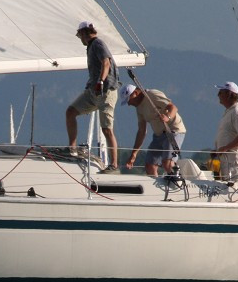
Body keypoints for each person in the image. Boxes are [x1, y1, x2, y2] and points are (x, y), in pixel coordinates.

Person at [65, 21, 119, 173]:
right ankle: (72, 148)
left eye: (80, 35)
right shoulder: (91, 46)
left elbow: (106, 63)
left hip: (106, 91)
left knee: (107, 129)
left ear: (83, 33)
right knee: (71, 112)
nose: (80, 39)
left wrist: (100, 81)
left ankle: (114, 164)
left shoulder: (97, 44)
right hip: (93, 91)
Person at [120, 84, 186, 176]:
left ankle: (177, 183)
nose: (129, 104)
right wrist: (134, 153)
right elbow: (141, 131)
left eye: (129, 100)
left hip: (173, 131)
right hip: (158, 135)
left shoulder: (152, 95)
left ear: (135, 93)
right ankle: (158, 188)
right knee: (149, 166)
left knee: (167, 164)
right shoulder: (139, 108)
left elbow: (172, 107)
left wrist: (168, 117)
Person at [211, 81, 238, 183]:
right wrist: (217, 150)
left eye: (221, 92)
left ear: (228, 95)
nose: (218, 95)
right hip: (226, 160)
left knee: (233, 188)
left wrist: (225, 148)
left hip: (233, 161)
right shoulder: (229, 111)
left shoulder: (237, 112)